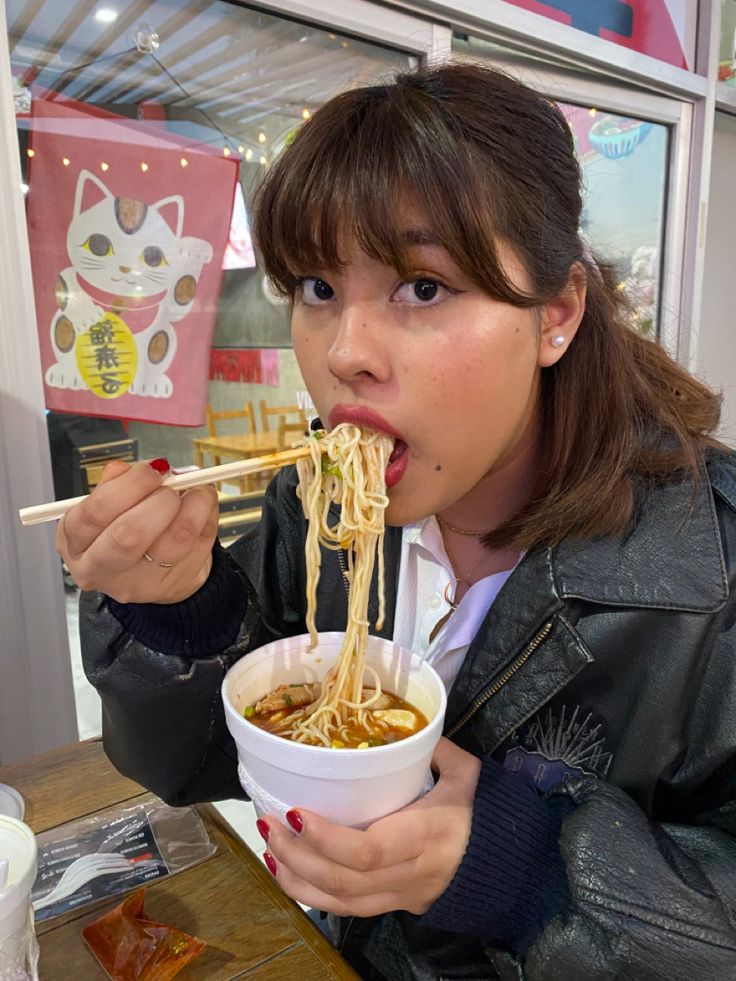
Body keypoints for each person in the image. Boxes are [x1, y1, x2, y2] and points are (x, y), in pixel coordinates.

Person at [59, 63, 736, 980]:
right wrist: (180, 614)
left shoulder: (711, 568)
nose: (344, 355)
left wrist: (530, 868)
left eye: (422, 287)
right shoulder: (323, 501)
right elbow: (229, 759)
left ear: (558, 315)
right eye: (314, 287)